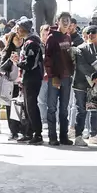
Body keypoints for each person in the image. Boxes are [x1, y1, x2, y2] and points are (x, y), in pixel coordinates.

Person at [41, 13, 75, 145]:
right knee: (52, 108)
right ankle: (52, 137)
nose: (66, 22)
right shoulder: (52, 38)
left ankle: (63, 136)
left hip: (66, 77)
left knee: (64, 109)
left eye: (68, 20)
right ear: (58, 21)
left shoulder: (68, 37)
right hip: (55, 78)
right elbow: (47, 60)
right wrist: (53, 76)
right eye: (63, 20)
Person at [71, 23, 97, 144]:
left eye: (93, 33)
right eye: (88, 33)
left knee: (95, 110)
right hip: (80, 84)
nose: (90, 35)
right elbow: (81, 65)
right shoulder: (81, 48)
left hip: (96, 84)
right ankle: (78, 136)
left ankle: (93, 135)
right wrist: (95, 74)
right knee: (81, 110)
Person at [14, 18, 44, 144]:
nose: (16, 30)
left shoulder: (32, 43)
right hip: (28, 78)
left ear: (23, 29)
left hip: (33, 78)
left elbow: (30, 63)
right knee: (27, 106)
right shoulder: (28, 42)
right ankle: (29, 132)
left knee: (31, 106)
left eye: (18, 28)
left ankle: (37, 134)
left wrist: (18, 63)